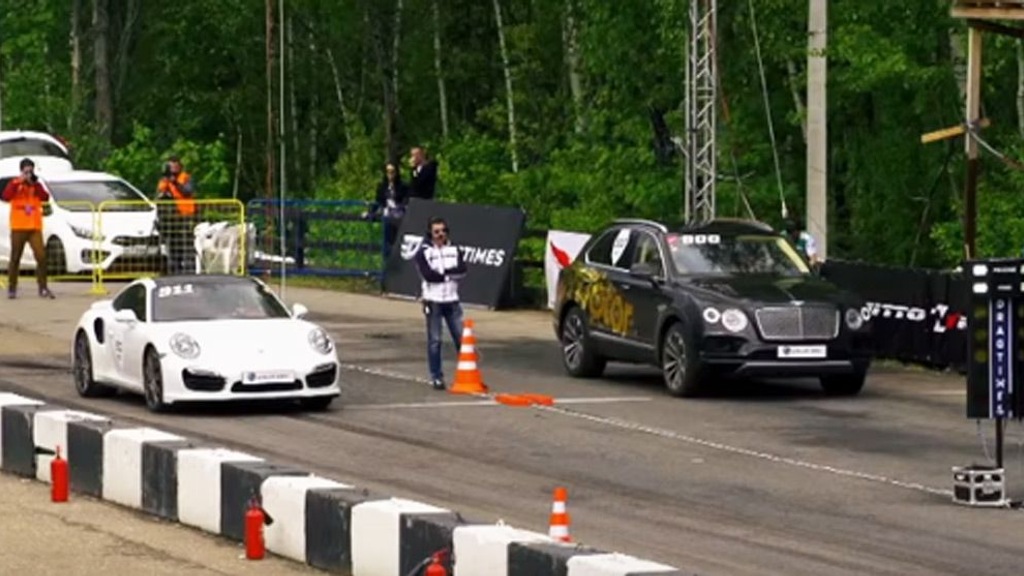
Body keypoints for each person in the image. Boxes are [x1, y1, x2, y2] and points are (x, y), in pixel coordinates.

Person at [413, 216, 467, 390]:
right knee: (435, 341)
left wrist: (444, 274)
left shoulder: (454, 249)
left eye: (443, 231)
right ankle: (436, 376)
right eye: (436, 231)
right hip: (433, 300)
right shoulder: (423, 252)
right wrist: (447, 275)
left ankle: (466, 373)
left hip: (452, 300)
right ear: (430, 232)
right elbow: (428, 275)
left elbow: (462, 271)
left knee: (461, 339)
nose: (440, 234)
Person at [2, 158, 55, 299]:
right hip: (19, 226)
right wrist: (18, 181)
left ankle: (43, 287)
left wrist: (35, 183)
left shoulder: (35, 185)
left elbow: (45, 197)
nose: (28, 173)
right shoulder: (15, 183)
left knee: (41, 257)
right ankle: (12, 288)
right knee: (15, 258)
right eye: (26, 171)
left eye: (30, 170)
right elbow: (6, 196)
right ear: (21, 170)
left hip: (34, 226)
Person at [156, 156, 197, 274]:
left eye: (175, 166)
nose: (173, 169)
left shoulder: (185, 178)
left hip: (185, 217)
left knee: (186, 247)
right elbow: (160, 195)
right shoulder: (164, 180)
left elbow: (187, 191)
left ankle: (189, 272)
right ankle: (174, 272)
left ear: (180, 166)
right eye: (170, 166)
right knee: (173, 249)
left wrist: (175, 182)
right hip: (171, 220)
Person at [362, 162, 409, 257]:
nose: (390, 174)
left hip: (400, 217)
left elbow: (405, 200)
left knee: (400, 243)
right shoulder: (382, 186)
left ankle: (399, 267)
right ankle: (387, 266)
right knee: (387, 243)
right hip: (387, 216)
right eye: (388, 172)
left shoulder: (403, 186)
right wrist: (370, 212)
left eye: (393, 172)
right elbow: (378, 201)